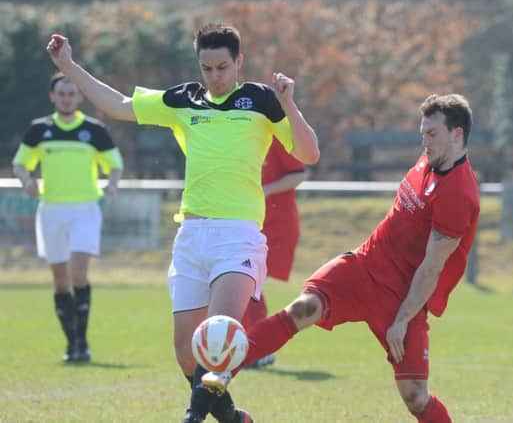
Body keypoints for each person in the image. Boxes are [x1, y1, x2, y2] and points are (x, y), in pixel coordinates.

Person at [47, 23, 319, 423]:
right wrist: (69, 67)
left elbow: (310, 153)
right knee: (185, 351)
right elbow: (120, 105)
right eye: (207, 68)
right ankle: (230, 417)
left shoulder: (262, 100)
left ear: (239, 62)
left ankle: (193, 416)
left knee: (219, 332)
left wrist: (290, 104)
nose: (215, 76)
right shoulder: (184, 99)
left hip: (237, 236)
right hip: (191, 235)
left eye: (223, 67)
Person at [204, 94, 479, 423]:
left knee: (416, 397)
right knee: (302, 308)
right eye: (423, 133)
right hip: (362, 268)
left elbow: (432, 267)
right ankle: (224, 368)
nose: (425, 141)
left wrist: (402, 320)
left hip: (401, 297)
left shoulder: (459, 194)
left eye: (432, 133)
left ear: (457, 134)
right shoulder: (428, 160)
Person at [12, 72, 123, 363]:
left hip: (85, 210)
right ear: (53, 97)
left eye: (72, 93)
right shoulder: (39, 130)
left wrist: (111, 183)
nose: (66, 98)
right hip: (50, 210)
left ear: (80, 97)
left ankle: (83, 342)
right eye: (61, 93)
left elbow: (115, 164)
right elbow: (21, 163)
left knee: (78, 275)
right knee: (61, 282)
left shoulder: (94, 130)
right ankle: (71, 343)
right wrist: (26, 180)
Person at [242, 138, 306, 368]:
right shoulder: (241, 135)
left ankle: (258, 347)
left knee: (248, 281)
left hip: (275, 224)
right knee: (245, 281)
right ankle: (250, 346)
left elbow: (299, 174)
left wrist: (264, 190)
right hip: (250, 221)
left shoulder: (276, 137)